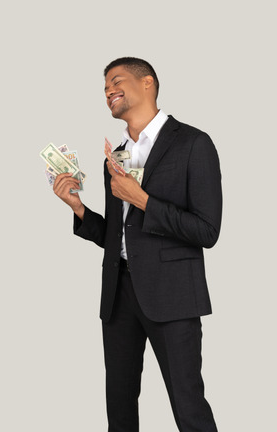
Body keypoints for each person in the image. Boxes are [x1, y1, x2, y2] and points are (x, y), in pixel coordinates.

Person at [53, 57, 222, 432]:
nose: (108, 91)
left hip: (173, 296)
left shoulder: (194, 143)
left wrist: (142, 199)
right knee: (119, 406)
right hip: (119, 295)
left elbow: (208, 231)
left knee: (188, 404)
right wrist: (79, 209)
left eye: (116, 81)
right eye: (104, 88)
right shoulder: (115, 158)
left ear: (147, 83)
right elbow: (118, 234)